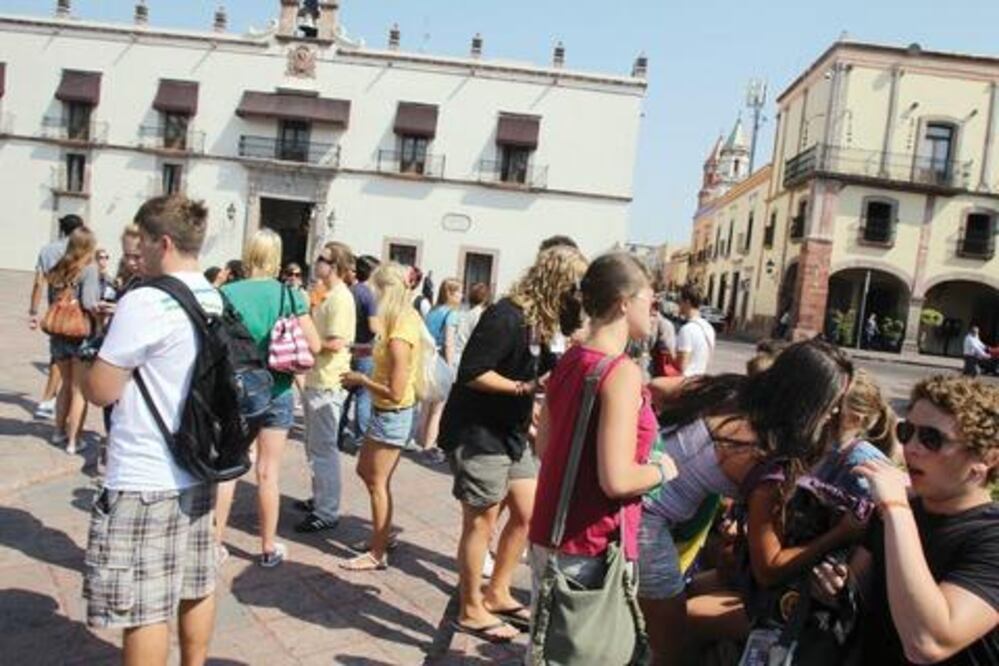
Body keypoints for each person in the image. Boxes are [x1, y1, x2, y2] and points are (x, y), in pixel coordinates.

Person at [641, 339, 854, 663]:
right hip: (648, 530)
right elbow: (768, 567)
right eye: (833, 402)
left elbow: (655, 387)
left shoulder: (725, 389)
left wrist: (646, 446)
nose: (836, 411)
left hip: (627, 501)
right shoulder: (763, 455)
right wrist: (842, 533)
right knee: (675, 647)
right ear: (810, 402)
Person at [80, 195, 222, 666]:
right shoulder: (214, 296)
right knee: (195, 584)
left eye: (141, 243)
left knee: (146, 609)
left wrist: (90, 350)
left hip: (146, 473)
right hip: (199, 467)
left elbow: (101, 390)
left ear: (164, 243)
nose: (135, 254)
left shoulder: (147, 300)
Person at [686, 369, 897, 660]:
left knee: (688, 615)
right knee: (692, 587)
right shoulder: (819, 449)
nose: (826, 410)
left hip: (805, 597)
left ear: (856, 419)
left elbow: (854, 552)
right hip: (782, 577)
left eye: (835, 406)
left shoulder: (862, 468)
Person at [528, 253, 678, 651]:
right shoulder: (621, 372)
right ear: (624, 302)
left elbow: (543, 446)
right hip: (590, 542)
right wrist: (662, 470)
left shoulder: (570, 360)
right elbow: (617, 480)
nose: (656, 309)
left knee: (549, 651)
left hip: (551, 530)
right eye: (651, 298)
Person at [439, 245, 588, 642]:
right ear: (558, 283)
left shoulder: (542, 322)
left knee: (528, 512)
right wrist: (523, 388)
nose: (581, 296)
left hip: (511, 432)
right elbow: (471, 371)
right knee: (481, 520)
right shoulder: (507, 316)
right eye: (576, 287)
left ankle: (497, 592)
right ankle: (470, 609)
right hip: (477, 432)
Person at [816, 375, 999, 665]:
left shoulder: (990, 536)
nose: (911, 448)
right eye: (907, 432)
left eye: (931, 439)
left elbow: (928, 643)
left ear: (985, 459)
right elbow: (859, 585)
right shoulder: (897, 510)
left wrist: (895, 507)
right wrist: (838, 588)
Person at [213, 229, 321, 567]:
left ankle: (213, 543)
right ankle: (267, 546)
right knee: (268, 472)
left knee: (228, 469)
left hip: (236, 390)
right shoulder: (289, 296)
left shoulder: (225, 293)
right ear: (276, 258)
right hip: (277, 389)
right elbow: (315, 345)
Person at [339, 263, 424, 570]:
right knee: (368, 472)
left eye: (376, 291)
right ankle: (381, 536)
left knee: (376, 480)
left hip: (393, 413)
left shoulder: (400, 330)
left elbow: (396, 390)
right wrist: (361, 352)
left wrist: (361, 381)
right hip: (387, 412)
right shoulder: (402, 318)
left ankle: (377, 553)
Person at [295, 242, 356, 534]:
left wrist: (309, 342)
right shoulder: (325, 294)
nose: (317, 262)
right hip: (316, 377)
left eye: (323, 259)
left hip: (329, 380)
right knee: (314, 445)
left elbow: (337, 341)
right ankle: (320, 498)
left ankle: (327, 511)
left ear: (336, 266)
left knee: (324, 448)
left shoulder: (341, 299)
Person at [46, 227, 102, 454]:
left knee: (64, 386)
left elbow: (51, 299)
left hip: (57, 332)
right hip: (79, 334)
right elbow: (89, 303)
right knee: (79, 390)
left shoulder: (58, 268)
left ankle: (58, 432)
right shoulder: (88, 269)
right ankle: (73, 440)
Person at [29, 213, 85, 419]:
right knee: (64, 357)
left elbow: (38, 283)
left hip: (55, 308)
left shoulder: (47, 250)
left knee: (58, 354)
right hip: (76, 309)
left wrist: (33, 312)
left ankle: (51, 400)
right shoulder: (82, 251)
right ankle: (49, 401)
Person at [338, 254, 380, 453]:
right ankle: (361, 439)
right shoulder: (368, 295)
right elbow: (373, 326)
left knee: (345, 395)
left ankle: (337, 433)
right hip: (365, 349)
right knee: (364, 396)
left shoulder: (349, 291)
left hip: (349, 348)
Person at [419, 278, 463, 464]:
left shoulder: (433, 311)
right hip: (440, 361)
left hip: (426, 359)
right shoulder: (451, 314)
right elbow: (449, 342)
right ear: (451, 293)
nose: (462, 296)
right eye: (460, 292)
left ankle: (421, 441)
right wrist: (451, 367)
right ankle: (429, 448)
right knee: (438, 409)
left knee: (425, 406)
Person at [675, 283, 716, 377]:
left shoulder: (686, 330)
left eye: (680, 301)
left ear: (687, 302)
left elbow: (682, 366)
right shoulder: (709, 328)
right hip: (700, 379)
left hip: (686, 382)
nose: (678, 304)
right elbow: (708, 358)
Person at [455, 282, 492, 362]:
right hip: (466, 356)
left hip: (458, 352)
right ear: (485, 298)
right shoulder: (479, 314)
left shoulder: (464, 312)